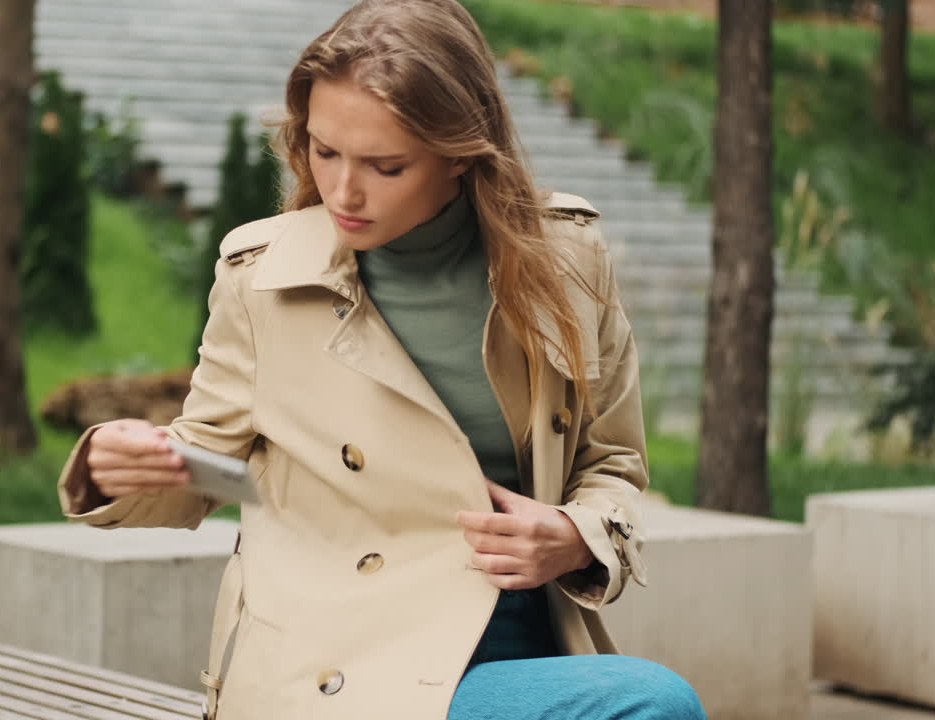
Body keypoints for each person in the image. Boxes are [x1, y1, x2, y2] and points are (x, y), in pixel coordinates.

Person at [57, 1, 708, 718]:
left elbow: (611, 465)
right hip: (340, 662)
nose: (343, 191)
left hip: (517, 643)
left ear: (461, 152)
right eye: (323, 151)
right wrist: (116, 465)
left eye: (384, 165)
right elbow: (209, 470)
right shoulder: (264, 278)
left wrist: (573, 537)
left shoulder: (567, 260)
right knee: (654, 706)